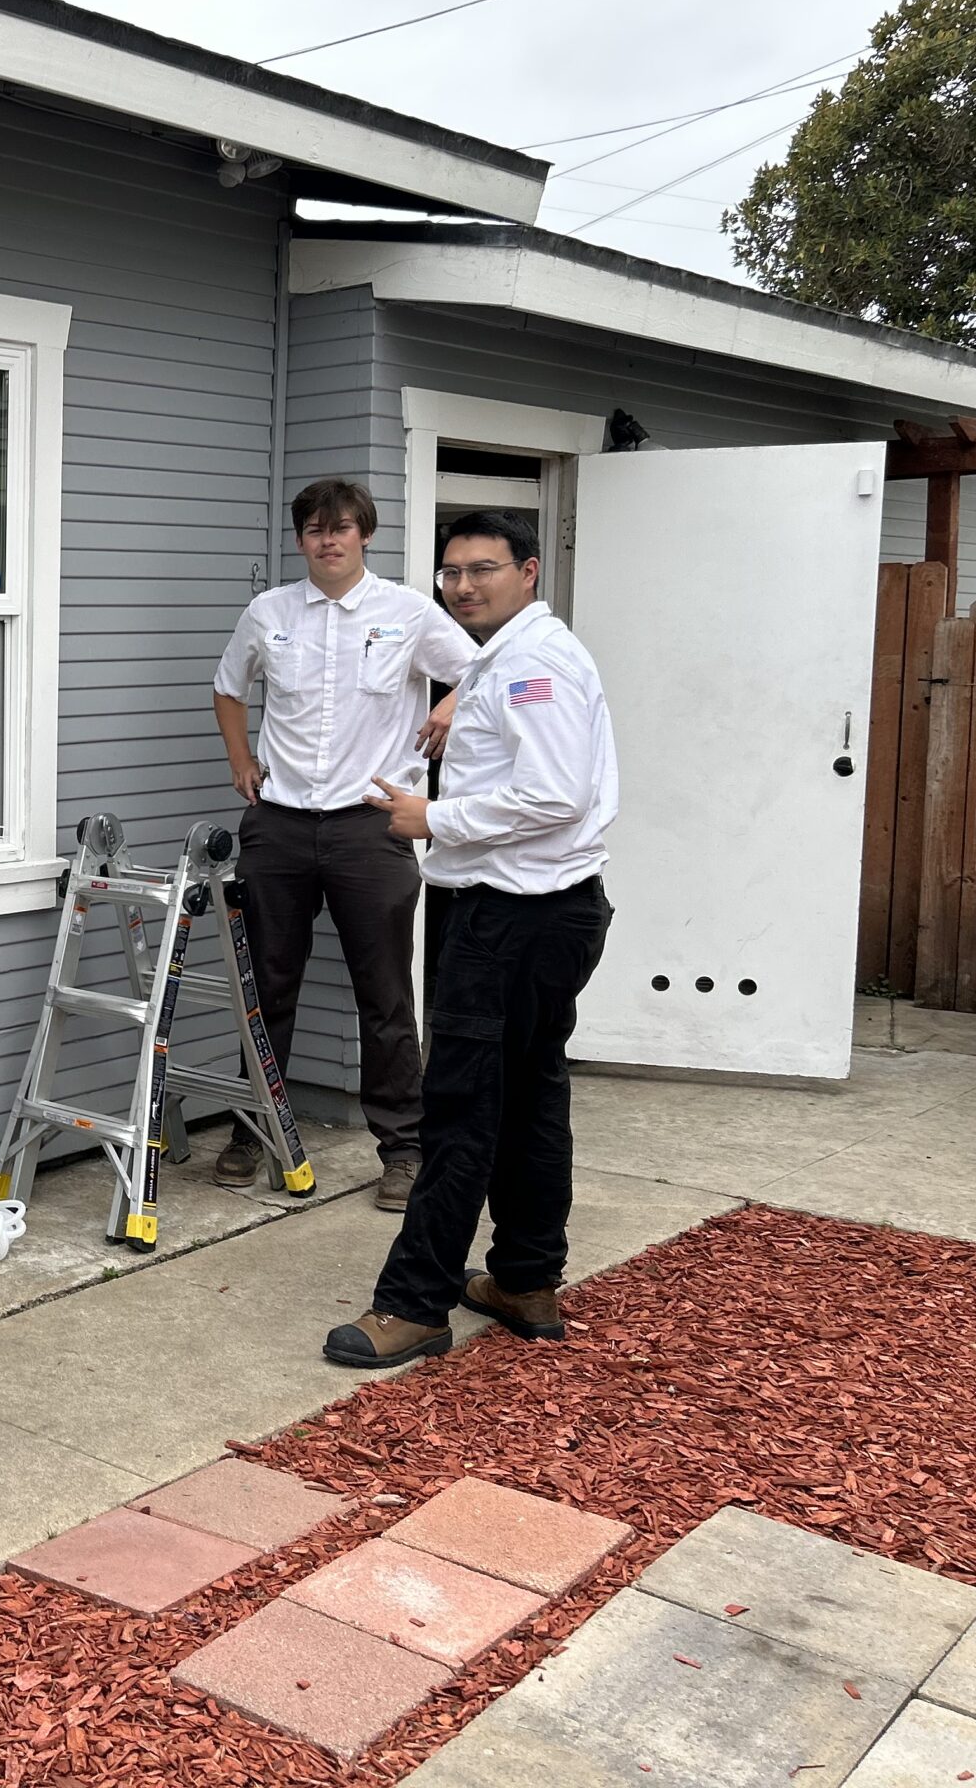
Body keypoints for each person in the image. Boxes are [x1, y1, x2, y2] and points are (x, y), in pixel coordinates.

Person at [326, 508, 620, 1367]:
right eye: (451, 573)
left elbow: (555, 794)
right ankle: (524, 1279)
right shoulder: (509, 658)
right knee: (531, 1098)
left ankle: (414, 1305)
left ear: (529, 572)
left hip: (511, 920)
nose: (463, 586)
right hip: (540, 913)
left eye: (482, 569)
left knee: (460, 1109)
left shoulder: (533, 663)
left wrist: (431, 817)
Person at [212, 479, 473, 1210]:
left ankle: (402, 1149)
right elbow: (229, 688)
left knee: (385, 995)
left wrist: (450, 704)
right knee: (266, 988)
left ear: (366, 535)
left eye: (344, 528)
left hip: (370, 825)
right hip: (282, 823)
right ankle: (250, 1131)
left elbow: (482, 668)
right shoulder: (270, 612)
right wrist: (241, 759)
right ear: (301, 540)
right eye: (317, 530)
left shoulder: (410, 613)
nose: (330, 540)